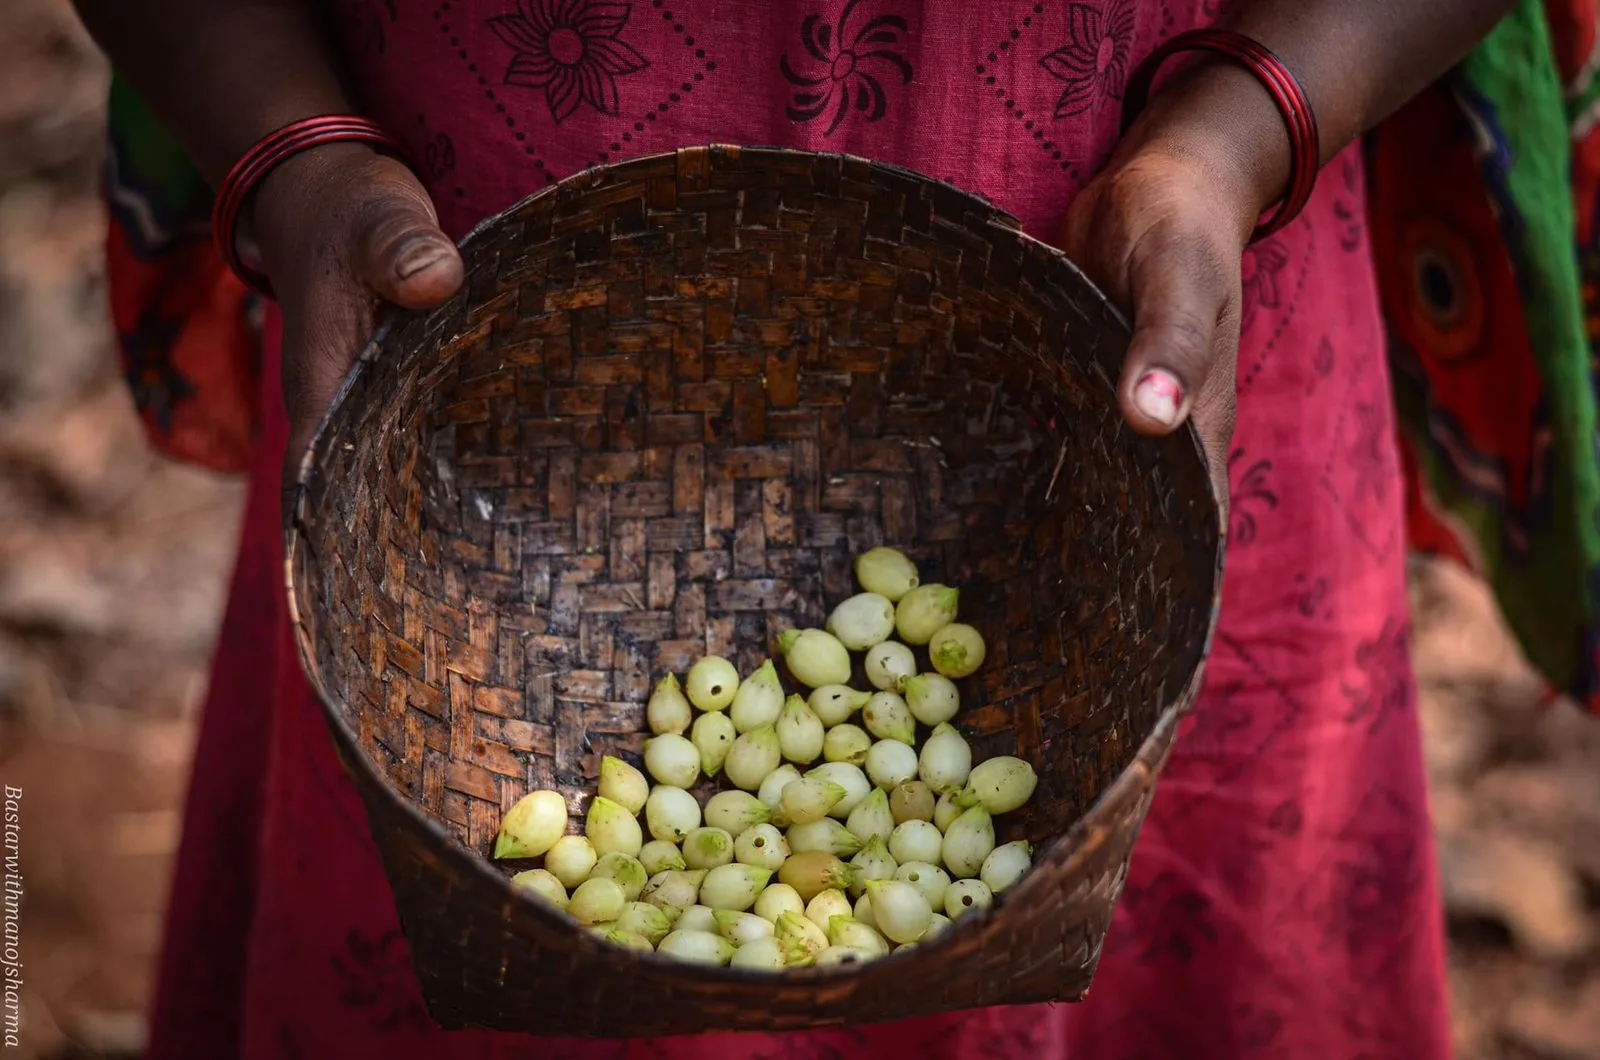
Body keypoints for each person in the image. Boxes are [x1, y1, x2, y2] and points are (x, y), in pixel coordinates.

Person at [69, 0, 1600, 1056]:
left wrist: (1243, 127)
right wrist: (290, 151)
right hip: (476, 322)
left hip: (1152, 263)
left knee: (1175, 886)